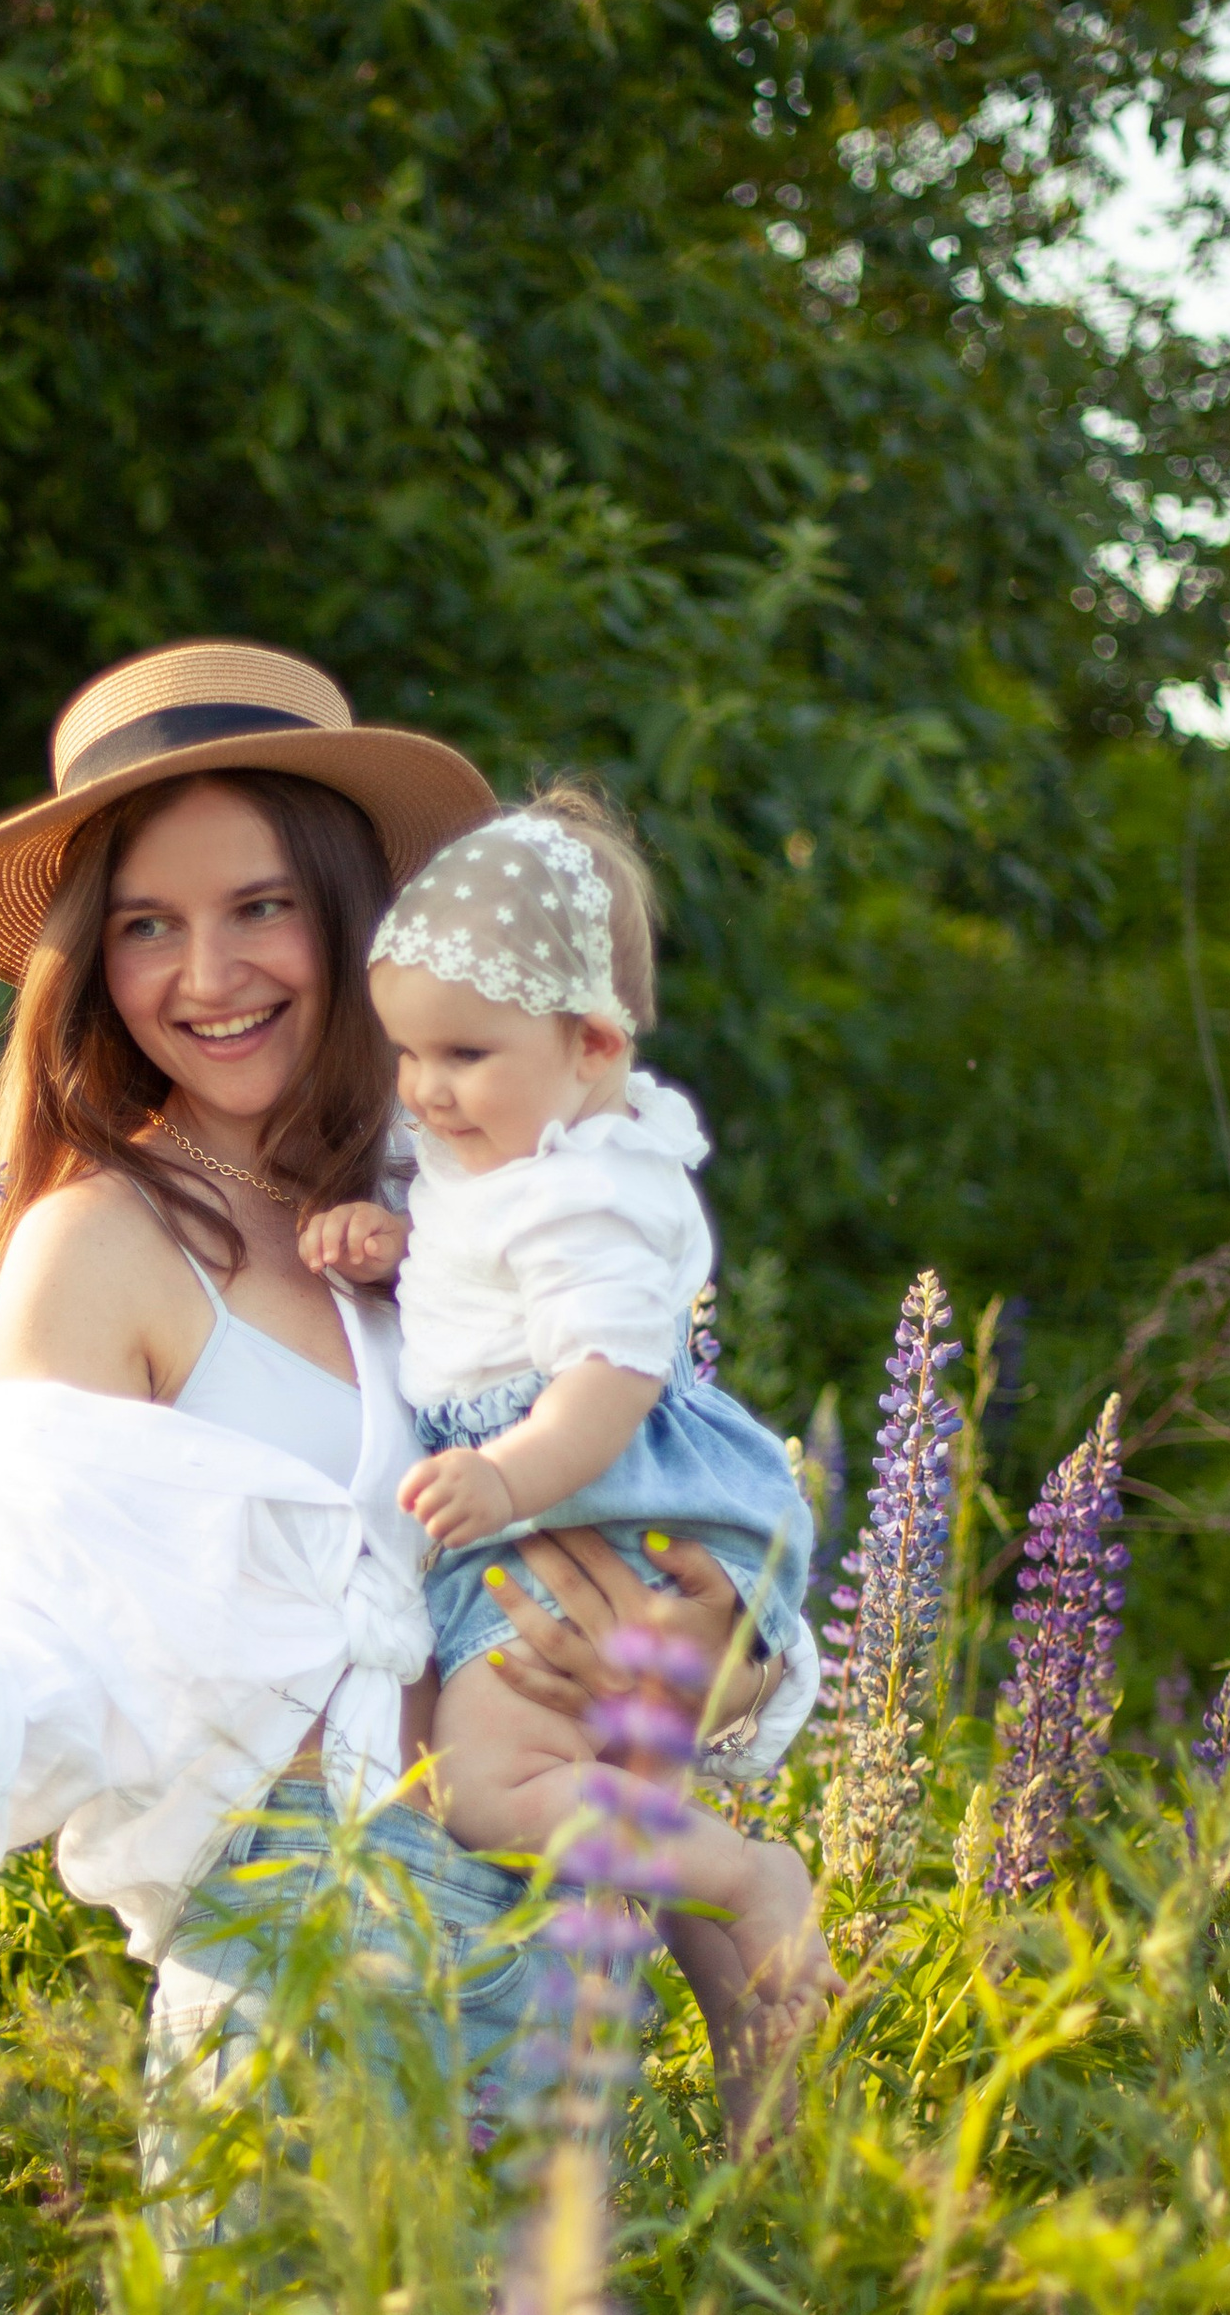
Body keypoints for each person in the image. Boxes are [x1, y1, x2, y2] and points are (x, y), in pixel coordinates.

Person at [0, 642, 820, 2131]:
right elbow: (40, 1620)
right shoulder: (101, 1249)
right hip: (308, 1974)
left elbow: (671, 1494)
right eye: (146, 925)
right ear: (93, 958)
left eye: (260, 906)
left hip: (571, 1982)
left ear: (348, 913)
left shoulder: (467, 1186)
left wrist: (727, 1648)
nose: (207, 976)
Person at [300, 786, 834, 2097]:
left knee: (494, 1786)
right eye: (407, 1058)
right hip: (586, 1512)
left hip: (584, 1498)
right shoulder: (507, 1155)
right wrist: (397, 1247)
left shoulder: (587, 1199)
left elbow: (605, 1373)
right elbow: (482, 1292)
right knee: (585, 1779)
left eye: (461, 1059)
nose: (423, 1092)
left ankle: (746, 1881)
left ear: (594, 1045)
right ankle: (743, 2004)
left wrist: (506, 1474)